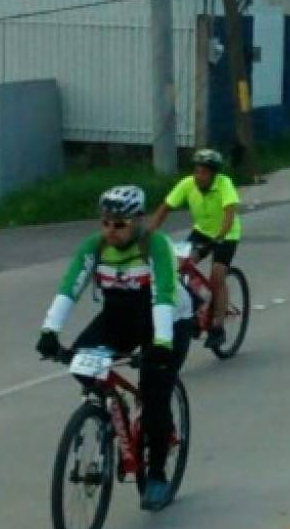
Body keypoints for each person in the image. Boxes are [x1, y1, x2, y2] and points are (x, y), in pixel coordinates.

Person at [36, 186, 194, 511]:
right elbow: (70, 287)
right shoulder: (94, 248)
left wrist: (161, 345)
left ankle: (157, 472)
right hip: (120, 315)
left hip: (167, 320)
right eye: (106, 222)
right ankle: (112, 410)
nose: (111, 231)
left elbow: (163, 295)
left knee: (154, 394)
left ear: (138, 220)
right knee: (80, 363)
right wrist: (50, 331)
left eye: (119, 224)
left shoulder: (154, 245)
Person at [150, 149, 241, 350]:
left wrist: (219, 237)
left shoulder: (224, 184)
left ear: (213, 174)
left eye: (204, 173)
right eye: (197, 171)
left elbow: (229, 214)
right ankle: (197, 306)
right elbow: (164, 208)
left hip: (226, 234)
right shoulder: (187, 184)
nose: (199, 176)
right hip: (201, 232)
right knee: (180, 266)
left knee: (217, 277)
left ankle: (217, 326)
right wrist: (148, 235)